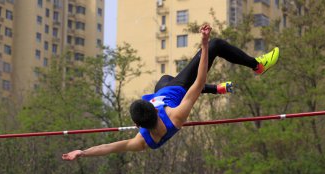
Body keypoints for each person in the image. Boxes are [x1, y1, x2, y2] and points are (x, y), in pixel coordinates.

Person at [62, 24, 279, 160]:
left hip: (162, 88)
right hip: (176, 90)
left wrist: (82, 152)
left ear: (137, 125)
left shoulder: (141, 141)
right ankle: (257, 66)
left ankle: (217, 89)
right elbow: (198, 81)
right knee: (217, 45)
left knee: (166, 80)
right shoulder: (176, 116)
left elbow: (110, 147)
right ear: (155, 111)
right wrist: (204, 46)